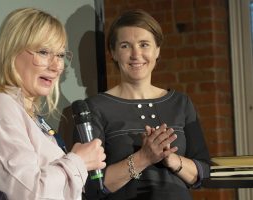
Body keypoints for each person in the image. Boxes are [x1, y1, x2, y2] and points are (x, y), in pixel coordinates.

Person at [0, 7, 106, 200]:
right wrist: (78, 161)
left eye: (61, 55)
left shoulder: (23, 111)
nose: (56, 66)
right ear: (12, 51)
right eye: (44, 52)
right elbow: (30, 193)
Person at [81, 9, 210, 200]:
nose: (136, 54)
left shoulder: (180, 103)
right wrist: (144, 158)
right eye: (125, 46)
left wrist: (171, 159)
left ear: (157, 50)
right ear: (113, 53)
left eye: (144, 44)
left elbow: (203, 173)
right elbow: (91, 185)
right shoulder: (94, 108)